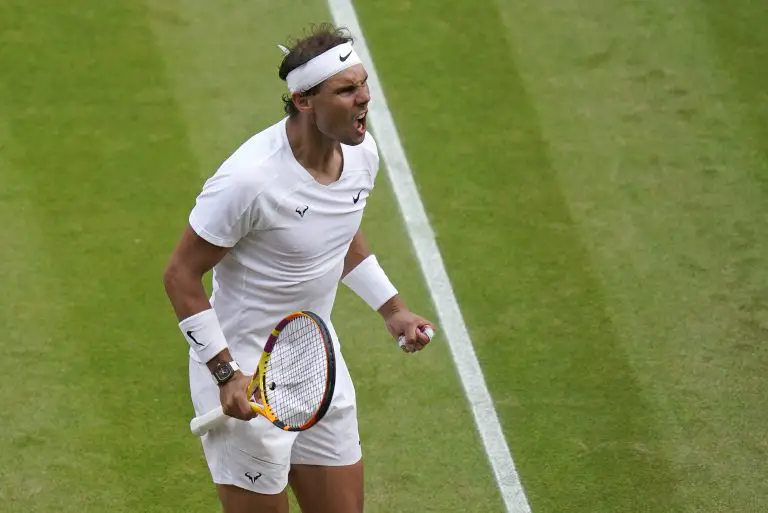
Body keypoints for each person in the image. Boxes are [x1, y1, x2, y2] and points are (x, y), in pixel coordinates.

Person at [162, 23, 436, 513]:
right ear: (305, 101)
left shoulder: (361, 153)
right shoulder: (249, 181)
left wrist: (391, 308)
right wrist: (225, 373)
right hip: (243, 368)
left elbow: (340, 227)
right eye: (346, 89)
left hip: (314, 360)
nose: (364, 99)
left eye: (363, 84)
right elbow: (180, 275)